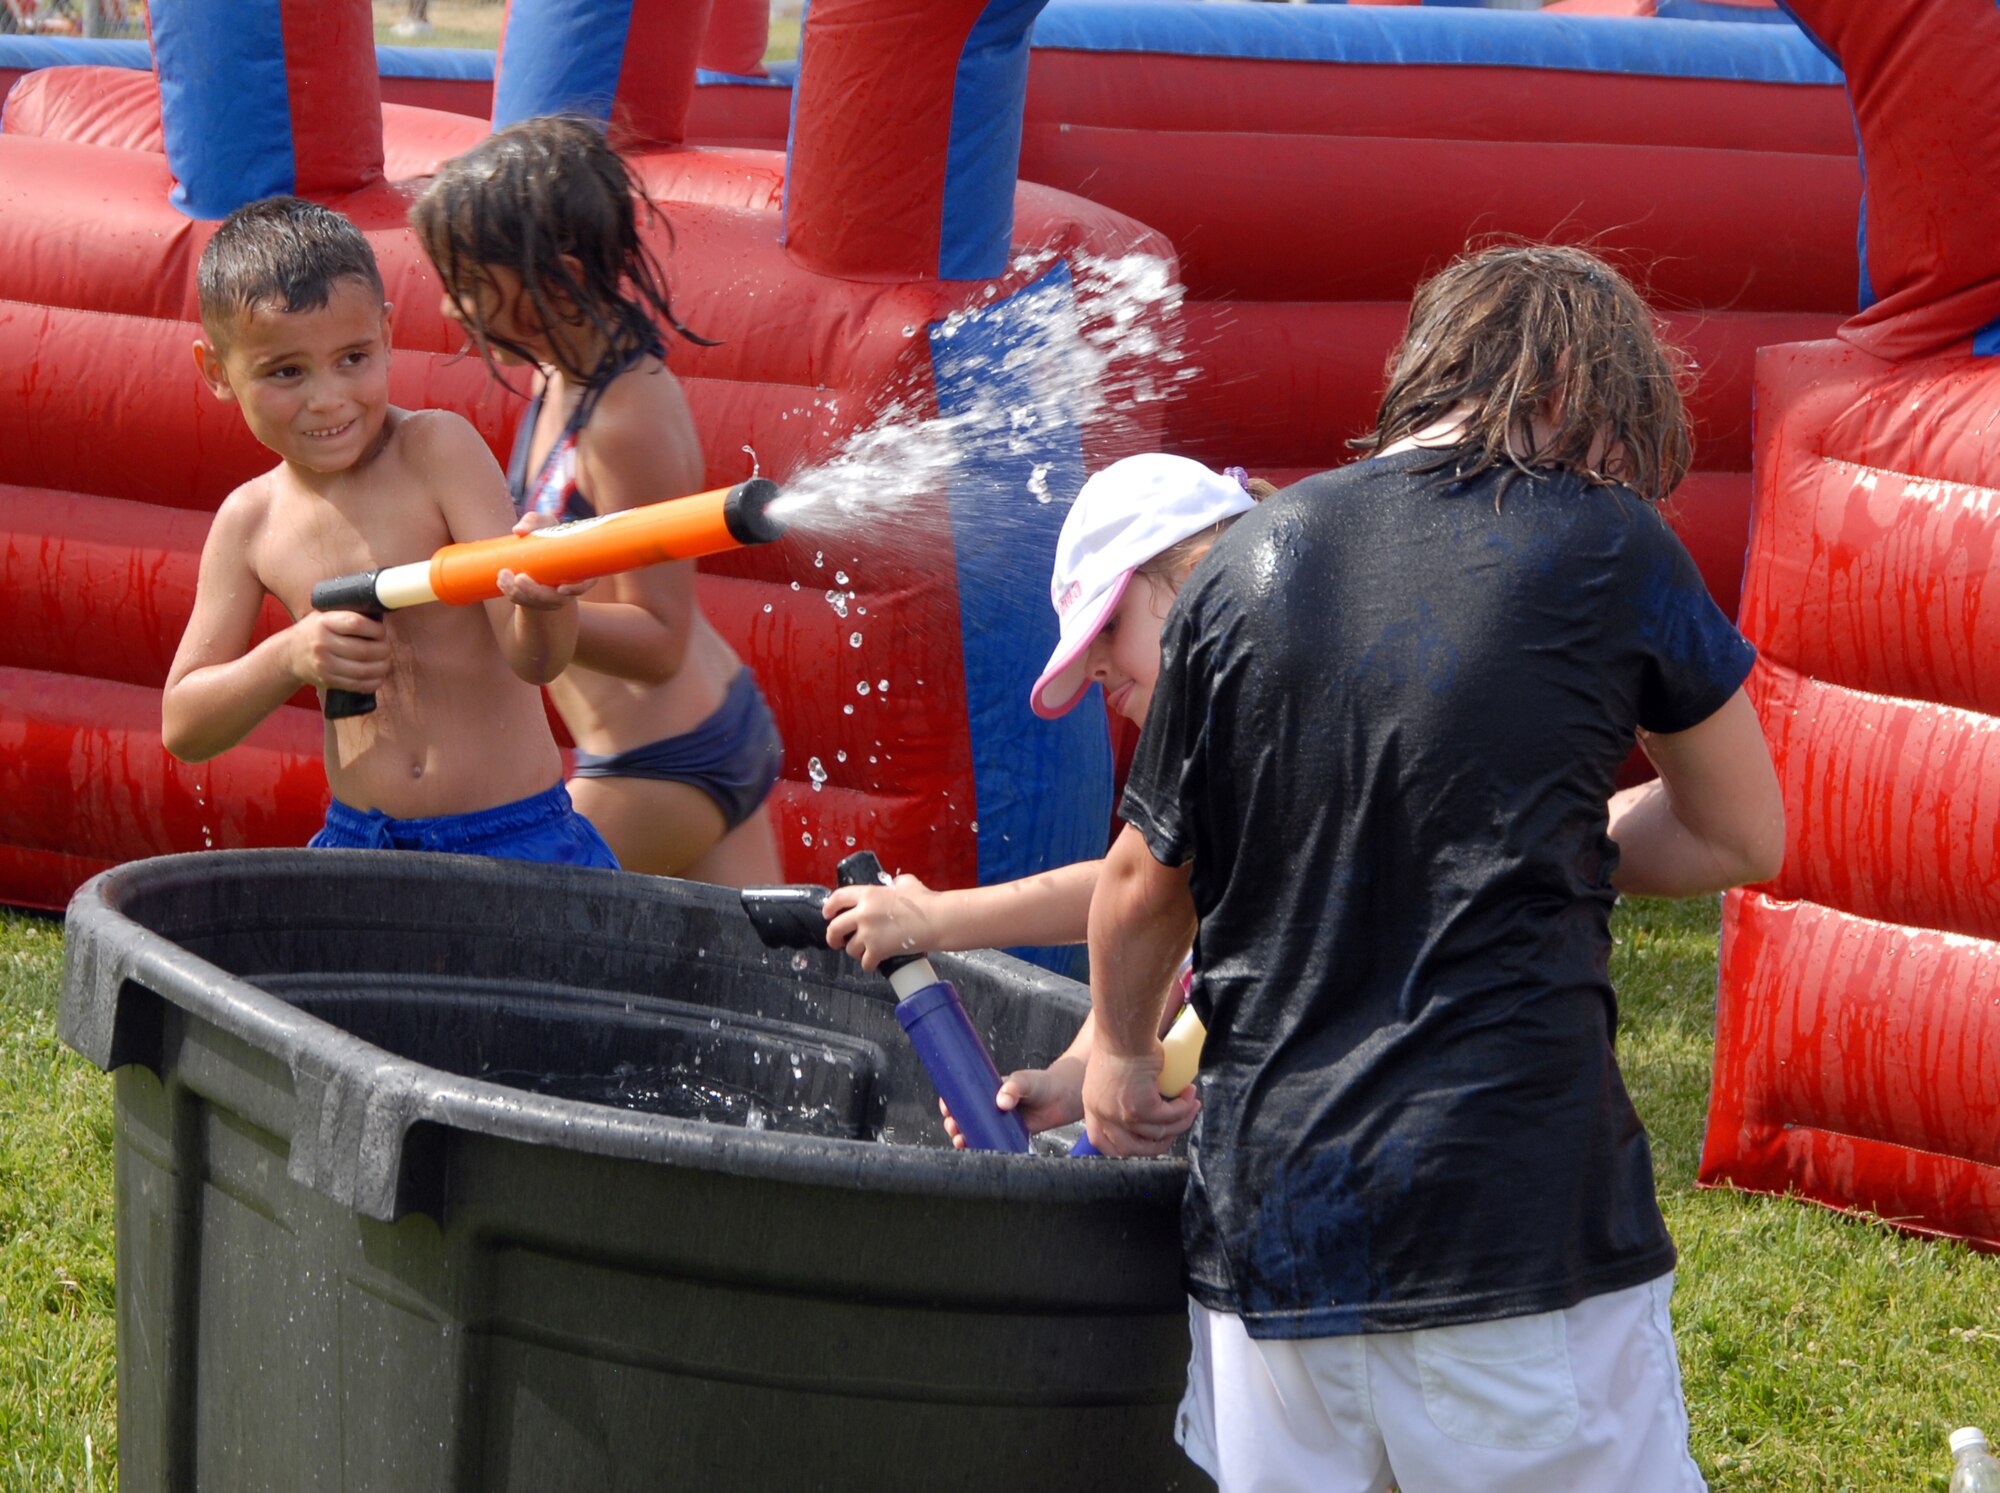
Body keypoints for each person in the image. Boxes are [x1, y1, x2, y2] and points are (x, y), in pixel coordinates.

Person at [1081, 244, 1785, 1492]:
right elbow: (1740, 831)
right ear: (1582, 391)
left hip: (1271, 1232)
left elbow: (1142, 880)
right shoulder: (1606, 539)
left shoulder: (1240, 560)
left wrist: (1119, 1052)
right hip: (1508, 1211)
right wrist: (1538, 845)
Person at [164, 196, 616, 870]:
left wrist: (546, 601)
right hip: (363, 848)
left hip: (518, 840)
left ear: (387, 333)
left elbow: (535, 661)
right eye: (286, 371)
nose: (328, 398)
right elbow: (184, 725)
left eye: (353, 357)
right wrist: (289, 657)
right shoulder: (250, 522)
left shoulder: (436, 451)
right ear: (216, 371)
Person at [824, 453, 1267, 1137]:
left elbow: (1134, 897)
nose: (1094, 666)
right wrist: (1072, 1076)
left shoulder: (1246, 713)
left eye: (1110, 627)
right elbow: (1141, 913)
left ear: (1202, 573)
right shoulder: (1220, 719)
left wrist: (936, 919)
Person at [411, 116, 784, 885]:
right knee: (741, 997)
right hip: (696, 736)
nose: (453, 311)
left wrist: (519, 607)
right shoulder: (563, 378)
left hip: (664, 759)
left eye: (472, 286)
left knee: (490, 938)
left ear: (558, 280)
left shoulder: (626, 417)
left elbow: (658, 641)